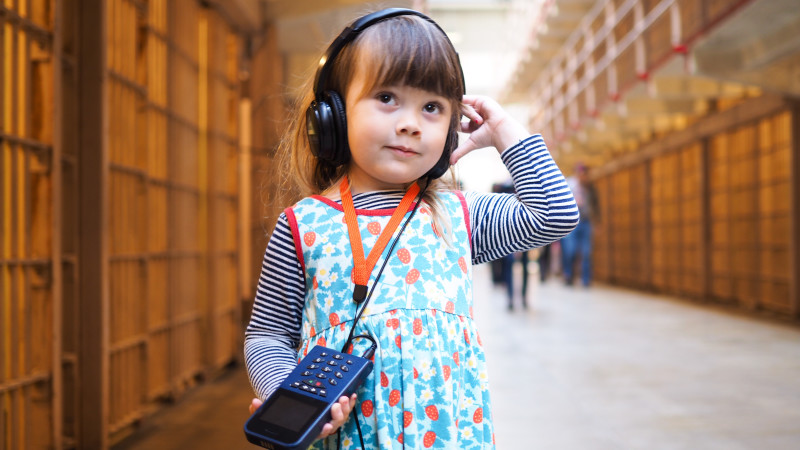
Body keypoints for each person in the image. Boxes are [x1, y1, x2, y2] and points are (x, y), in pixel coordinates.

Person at [244, 8, 579, 448]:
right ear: (334, 115)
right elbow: (268, 333)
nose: (410, 123)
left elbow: (555, 213)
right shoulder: (302, 225)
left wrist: (504, 131)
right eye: (386, 97)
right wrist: (284, 391)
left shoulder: (457, 216)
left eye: (432, 108)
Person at [561, 163, 599, 286]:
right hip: (571, 223)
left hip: (586, 222)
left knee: (586, 252)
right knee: (570, 251)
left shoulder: (590, 187)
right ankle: (568, 275)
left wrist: (597, 222)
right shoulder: (569, 185)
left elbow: (596, 205)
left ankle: (586, 280)